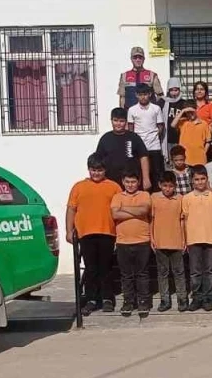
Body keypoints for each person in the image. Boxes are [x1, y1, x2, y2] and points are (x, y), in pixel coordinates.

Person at [66, 154, 121, 313]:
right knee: (90, 268)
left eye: (99, 170)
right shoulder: (78, 187)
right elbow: (71, 209)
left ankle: (107, 298)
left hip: (107, 232)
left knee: (106, 267)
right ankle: (91, 299)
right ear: (88, 169)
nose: (96, 173)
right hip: (86, 233)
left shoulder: (114, 187)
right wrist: (69, 231)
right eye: (93, 170)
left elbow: (119, 210)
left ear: (105, 170)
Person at [111, 167, 153, 317]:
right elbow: (115, 214)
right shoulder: (117, 196)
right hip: (123, 241)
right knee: (126, 275)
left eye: (133, 182)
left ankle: (143, 301)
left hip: (142, 240)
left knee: (142, 273)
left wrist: (124, 209)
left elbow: (144, 211)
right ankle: (128, 301)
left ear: (138, 182)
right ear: (123, 182)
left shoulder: (144, 195)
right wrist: (135, 211)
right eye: (127, 182)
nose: (130, 185)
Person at [181, 165, 212, 311]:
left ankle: (208, 297)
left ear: (207, 179)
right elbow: (184, 220)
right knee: (195, 271)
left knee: (209, 270)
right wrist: (185, 239)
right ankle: (197, 297)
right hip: (193, 239)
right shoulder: (187, 198)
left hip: (210, 238)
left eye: (203, 179)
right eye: (197, 179)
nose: (200, 182)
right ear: (192, 181)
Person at [151, 170, 187, 313]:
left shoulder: (180, 199)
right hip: (160, 241)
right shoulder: (154, 198)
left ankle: (182, 299)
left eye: (171, 186)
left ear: (175, 186)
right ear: (160, 185)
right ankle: (165, 300)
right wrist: (152, 238)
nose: (168, 189)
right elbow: (151, 219)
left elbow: (182, 221)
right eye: (165, 186)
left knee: (179, 272)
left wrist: (184, 239)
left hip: (176, 241)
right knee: (162, 273)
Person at [95, 107, 150, 188]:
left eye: (121, 121)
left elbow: (143, 157)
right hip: (110, 182)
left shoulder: (134, 137)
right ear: (111, 121)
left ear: (126, 122)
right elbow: (98, 160)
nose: (118, 124)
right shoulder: (105, 138)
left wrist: (146, 179)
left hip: (131, 183)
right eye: (115, 120)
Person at [127, 84, 166, 189]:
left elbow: (160, 126)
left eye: (145, 94)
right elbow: (130, 128)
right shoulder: (132, 110)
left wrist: (154, 136)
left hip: (154, 146)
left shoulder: (156, 108)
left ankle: (156, 194)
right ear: (136, 95)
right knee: (139, 173)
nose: (143, 97)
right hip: (139, 146)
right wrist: (135, 143)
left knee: (156, 173)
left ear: (150, 94)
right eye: (140, 95)